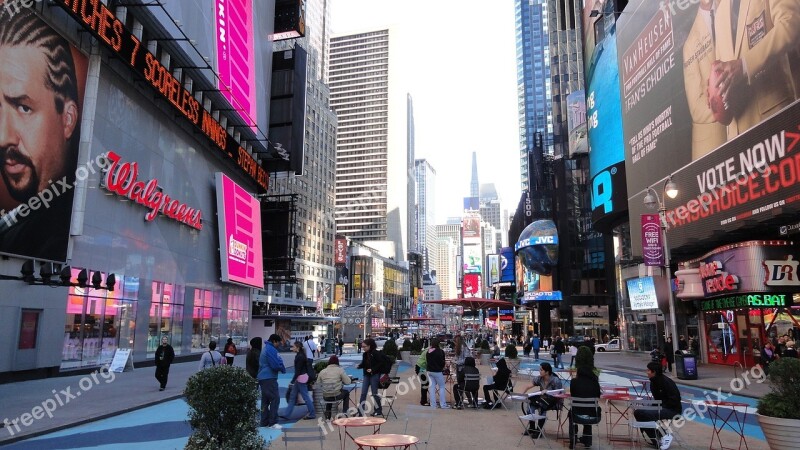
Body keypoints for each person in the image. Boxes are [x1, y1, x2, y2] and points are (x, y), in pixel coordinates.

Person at [0, 9, 83, 261]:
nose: (3, 137)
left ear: (67, 119)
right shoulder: (18, 228)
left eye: (24, 108)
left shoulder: (55, 236)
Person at [710, 0, 800, 140]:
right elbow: (721, 68)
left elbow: (790, 24)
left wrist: (745, 65)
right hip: (737, 138)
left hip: (775, 121)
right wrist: (713, 88)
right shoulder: (720, 13)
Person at [683, 0, 728, 160]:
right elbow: (696, 108)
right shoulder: (689, 44)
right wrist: (728, 106)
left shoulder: (731, 8)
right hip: (713, 144)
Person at [633, 362, 682, 449]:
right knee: (638, 412)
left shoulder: (667, 382)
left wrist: (659, 407)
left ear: (654, 372)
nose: (646, 372)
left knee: (647, 414)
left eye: (648, 370)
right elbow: (656, 400)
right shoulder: (653, 382)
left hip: (672, 410)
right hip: (661, 407)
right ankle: (656, 440)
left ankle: (665, 435)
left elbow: (675, 400)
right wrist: (652, 407)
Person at [568, 348, 601, 449]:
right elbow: (597, 397)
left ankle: (572, 439)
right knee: (589, 409)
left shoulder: (574, 382)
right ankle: (587, 441)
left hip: (577, 415)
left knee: (572, 412)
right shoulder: (595, 382)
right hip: (593, 416)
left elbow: (573, 396)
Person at [520, 362, 563, 436]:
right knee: (531, 404)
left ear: (547, 372)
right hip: (542, 400)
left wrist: (548, 392)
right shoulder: (540, 378)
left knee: (542, 406)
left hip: (554, 401)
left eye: (541, 370)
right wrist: (521, 395)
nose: (539, 371)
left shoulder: (556, 380)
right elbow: (528, 386)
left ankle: (539, 430)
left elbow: (559, 394)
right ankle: (532, 428)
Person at [280, 341, 316, 421]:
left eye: (293, 346)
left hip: (300, 378)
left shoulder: (299, 357)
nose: (292, 348)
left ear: (298, 347)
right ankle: (287, 414)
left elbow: (298, 371)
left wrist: (292, 381)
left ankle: (312, 413)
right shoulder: (301, 355)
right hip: (301, 378)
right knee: (294, 396)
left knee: (305, 397)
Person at [258, 334, 287, 429]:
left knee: (265, 400)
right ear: (274, 341)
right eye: (278, 342)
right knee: (275, 398)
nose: (279, 344)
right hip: (269, 377)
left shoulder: (266, 348)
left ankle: (264, 421)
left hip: (263, 377)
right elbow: (275, 364)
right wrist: (282, 368)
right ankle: (273, 422)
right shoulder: (271, 350)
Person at [356, 338, 384, 417]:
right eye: (362, 347)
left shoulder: (375, 353)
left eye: (364, 346)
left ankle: (378, 410)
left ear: (369, 346)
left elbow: (380, 363)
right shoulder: (365, 354)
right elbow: (364, 363)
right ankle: (361, 411)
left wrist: (373, 369)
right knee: (363, 393)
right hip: (366, 375)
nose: (363, 348)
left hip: (374, 375)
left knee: (374, 393)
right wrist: (359, 366)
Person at [426, 337, 448, 409]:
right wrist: (442, 368)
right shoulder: (440, 351)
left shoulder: (428, 351)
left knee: (432, 388)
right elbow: (442, 362)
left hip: (429, 371)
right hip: (437, 371)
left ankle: (433, 405)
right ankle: (443, 404)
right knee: (441, 387)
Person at [453, 335, 471, 409]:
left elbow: (466, 359)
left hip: (463, 370)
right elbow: (457, 357)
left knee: (462, 386)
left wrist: (457, 362)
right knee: (461, 385)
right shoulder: (458, 348)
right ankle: (463, 401)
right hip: (459, 369)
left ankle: (460, 402)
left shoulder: (465, 348)